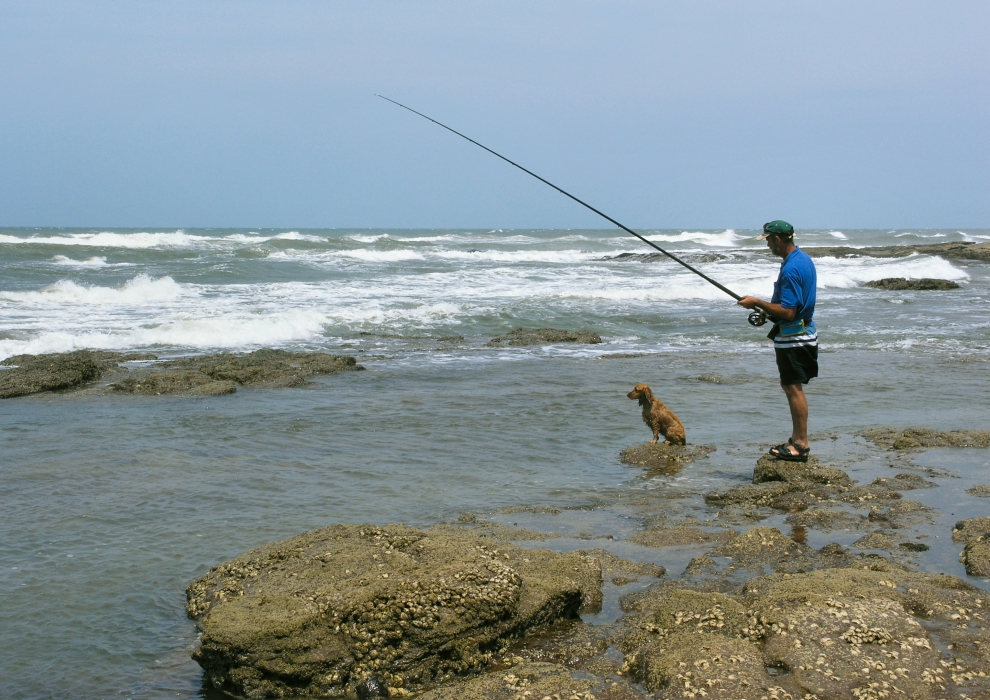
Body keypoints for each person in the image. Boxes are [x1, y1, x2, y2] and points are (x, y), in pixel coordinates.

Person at [737, 220, 818, 462]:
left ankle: (800, 444)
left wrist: (757, 303)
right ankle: (797, 439)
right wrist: (767, 312)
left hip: (794, 337)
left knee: (793, 388)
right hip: (803, 332)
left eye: (769, 240)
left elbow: (789, 312)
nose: (768, 245)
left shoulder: (792, 268)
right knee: (793, 387)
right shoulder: (802, 259)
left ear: (778, 240)